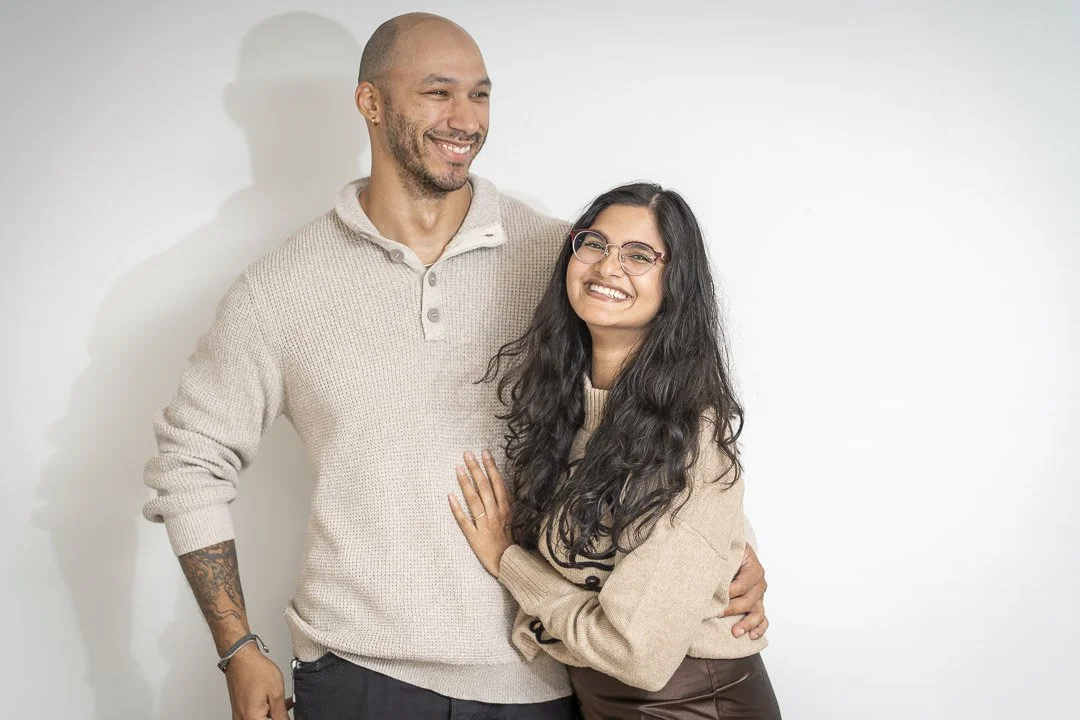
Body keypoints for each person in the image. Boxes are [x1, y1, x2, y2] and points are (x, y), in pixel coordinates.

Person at [142, 13, 769, 720]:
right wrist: (236, 647)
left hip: (543, 676)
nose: (465, 119)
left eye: (480, 95)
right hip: (359, 673)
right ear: (370, 102)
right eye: (439, 92)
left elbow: (652, 407)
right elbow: (188, 461)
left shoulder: (562, 257)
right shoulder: (281, 289)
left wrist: (723, 551)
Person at [450, 183, 781, 719]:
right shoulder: (569, 407)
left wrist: (506, 560)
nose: (608, 266)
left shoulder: (688, 436)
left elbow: (636, 655)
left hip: (692, 705)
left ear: (675, 285)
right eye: (595, 244)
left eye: (639, 255)